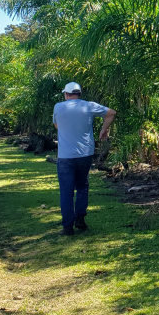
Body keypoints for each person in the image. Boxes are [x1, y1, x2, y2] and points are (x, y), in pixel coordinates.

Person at [52, 82, 116, 235]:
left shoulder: (58, 107)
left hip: (65, 156)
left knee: (66, 191)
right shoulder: (88, 106)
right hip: (85, 154)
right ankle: (80, 219)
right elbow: (111, 113)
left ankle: (67, 227)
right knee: (82, 186)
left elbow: (57, 126)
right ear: (79, 94)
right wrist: (103, 129)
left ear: (66, 94)